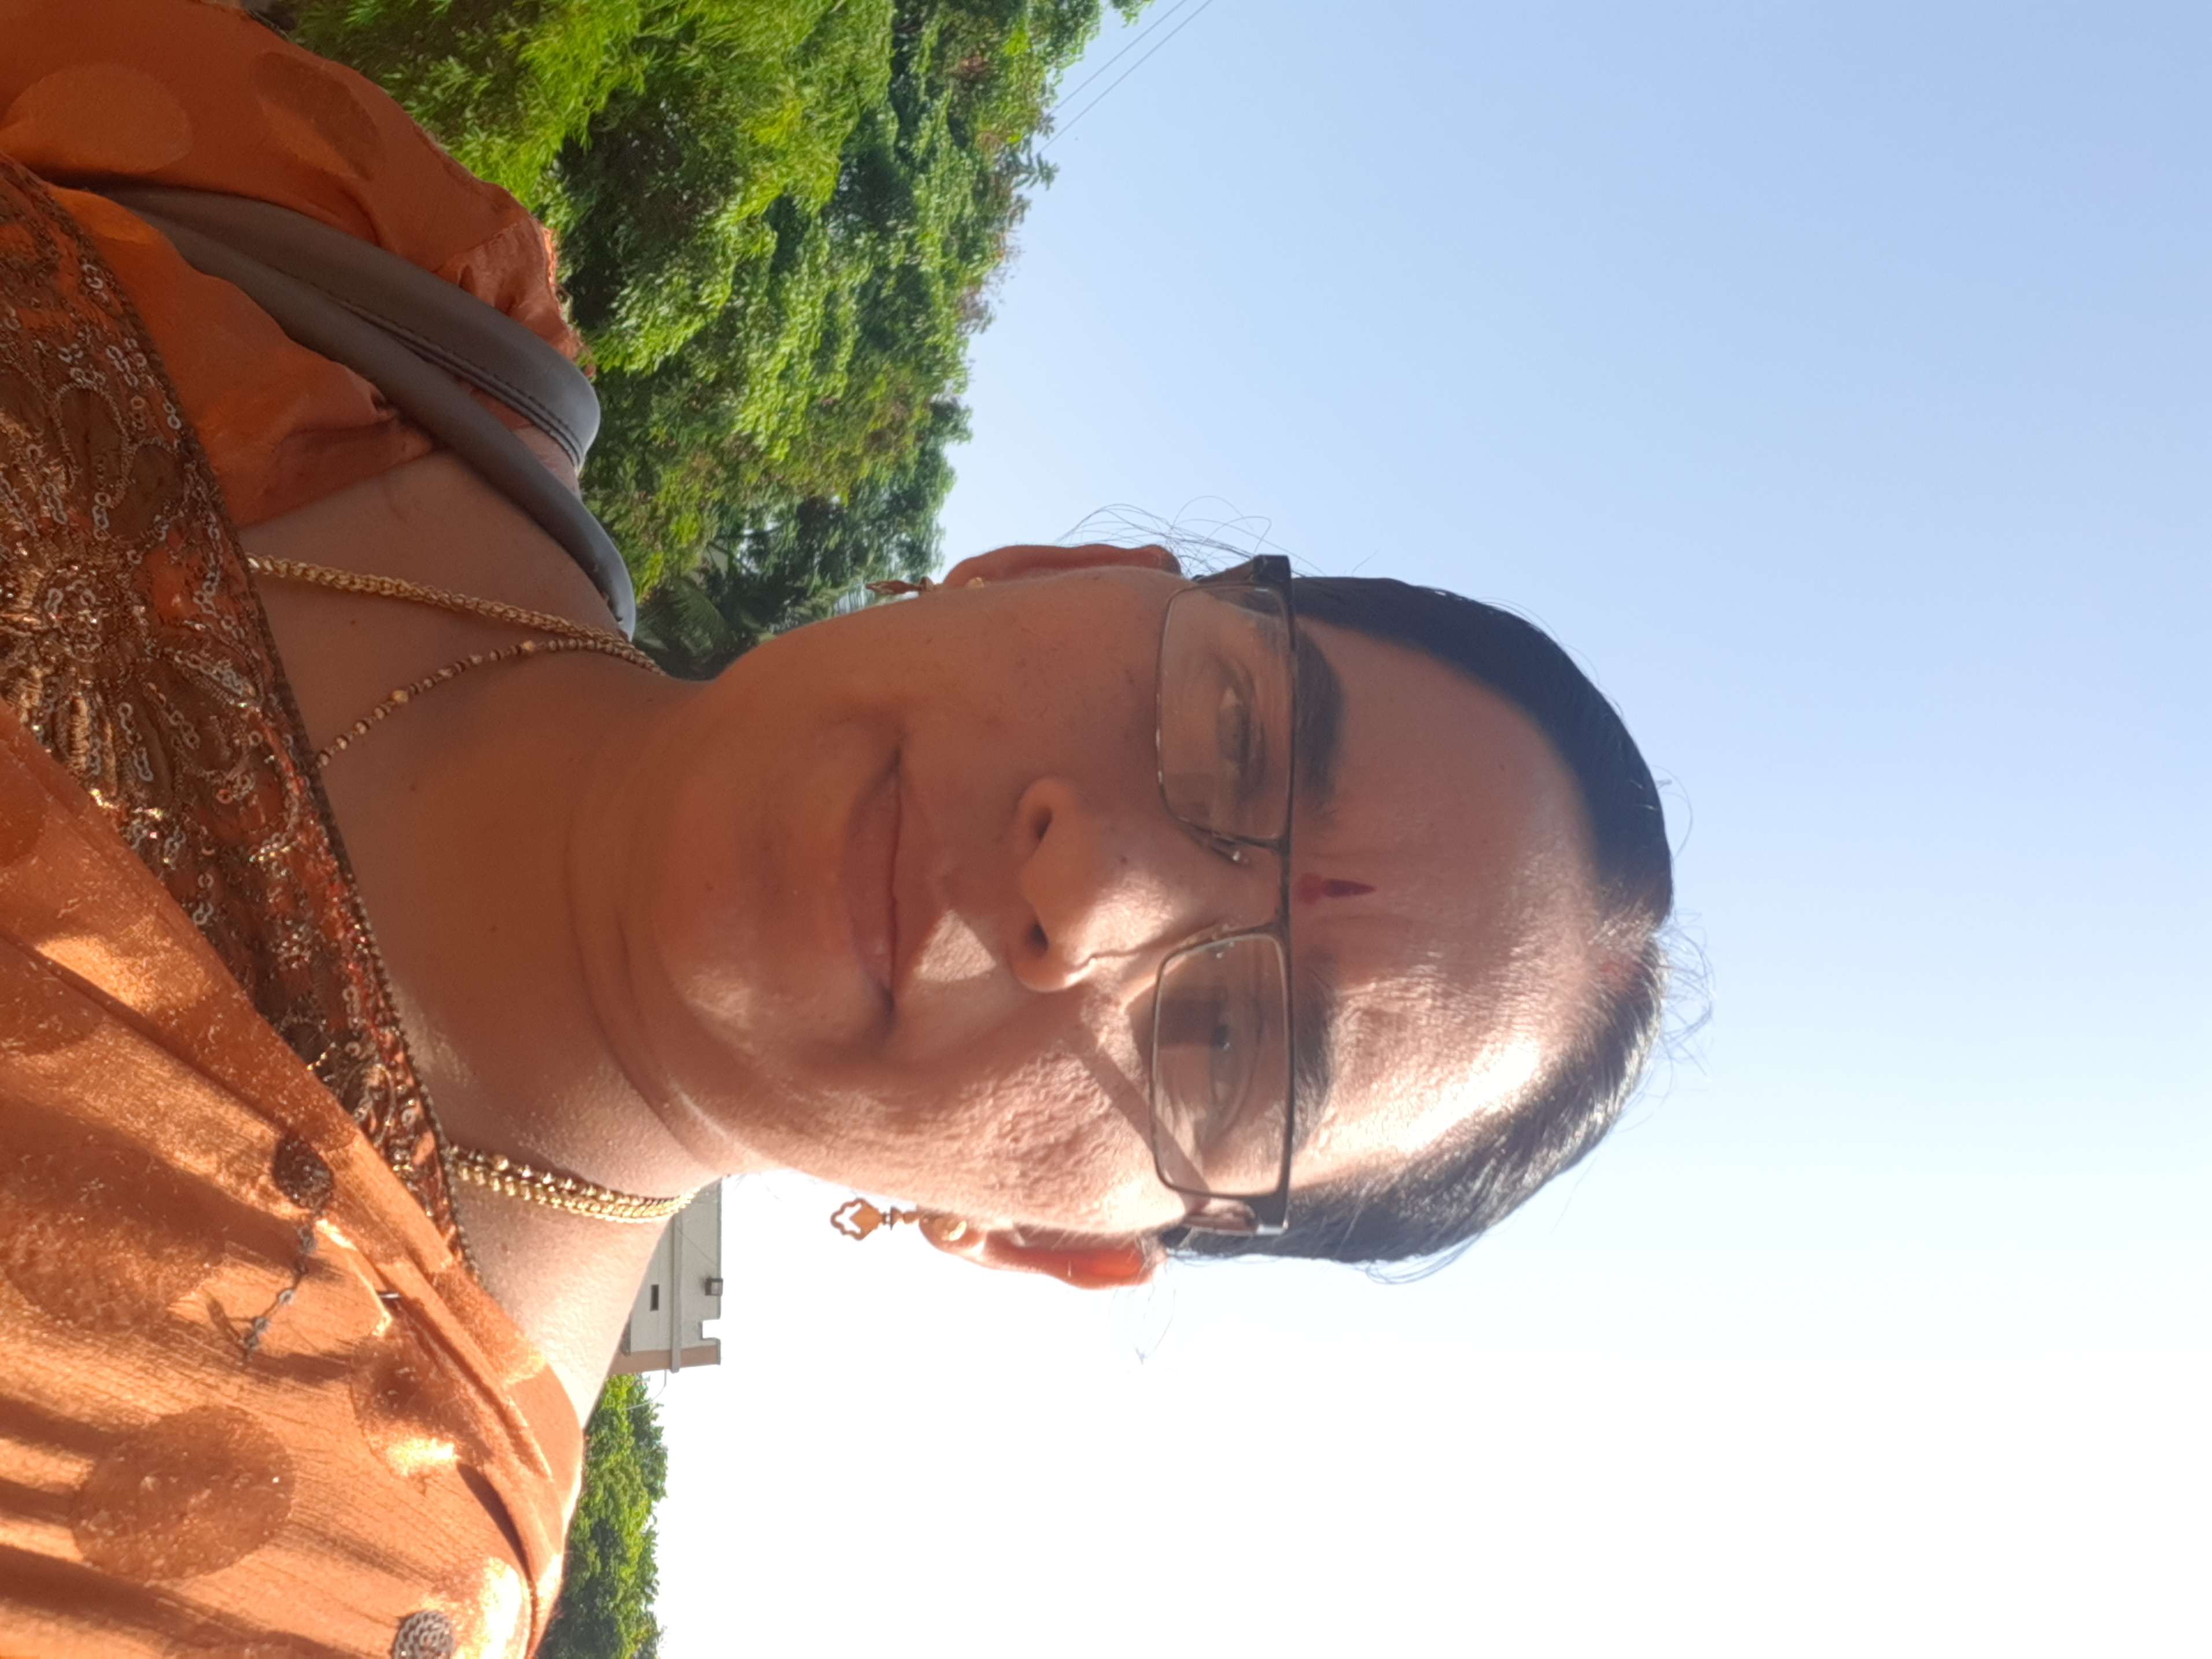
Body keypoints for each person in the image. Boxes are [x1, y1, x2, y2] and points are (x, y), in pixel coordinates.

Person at [0, 2, 1672, 1655]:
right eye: (1240, 731)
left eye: (1229, 1047)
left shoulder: (299, 1574)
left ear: (1056, 1243)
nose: (1088, 885)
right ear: (1058, 573)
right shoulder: (366, 273)